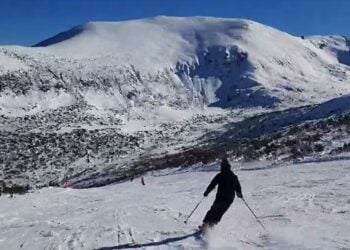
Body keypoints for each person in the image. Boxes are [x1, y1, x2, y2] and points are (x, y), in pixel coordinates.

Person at [200, 158, 243, 230]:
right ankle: (211, 225)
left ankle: (206, 224)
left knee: (214, 210)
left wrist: (207, 192)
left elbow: (212, 184)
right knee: (220, 212)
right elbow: (238, 187)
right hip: (229, 198)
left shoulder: (220, 175)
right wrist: (239, 193)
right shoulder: (233, 176)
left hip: (221, 197)